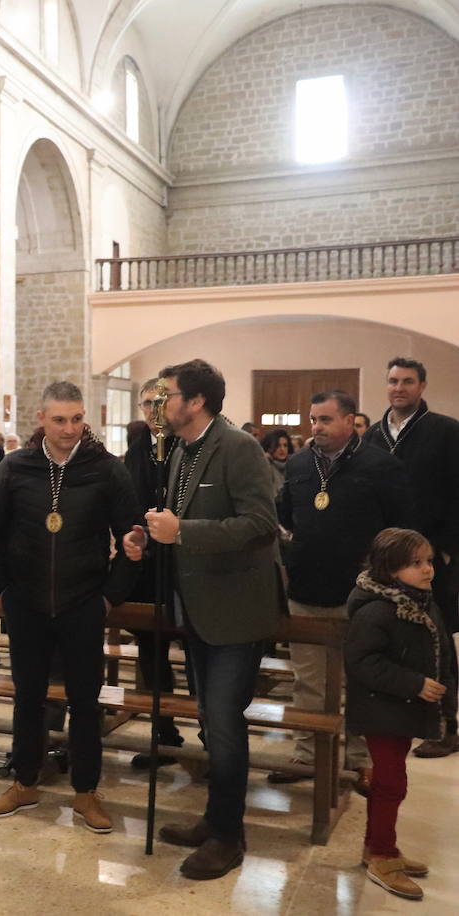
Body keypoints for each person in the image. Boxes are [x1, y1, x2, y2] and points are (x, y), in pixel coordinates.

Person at [123, 359, 283, 880]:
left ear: (195, 402)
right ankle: (214, 820)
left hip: (236, 610)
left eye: (166, 394)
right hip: (195, 609)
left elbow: (262, 524)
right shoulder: (181, 452)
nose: (159, 403)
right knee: (210, 723)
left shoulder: (237, 447)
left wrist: (183, 531)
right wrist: (150, 539)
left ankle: (227, 836)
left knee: (225, 725)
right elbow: (178, 524)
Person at [0, 381, 139, 832]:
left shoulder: (106, 470)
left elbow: (133, 537)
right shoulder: (16, 466)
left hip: (83, 601)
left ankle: (86, 792)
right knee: (27, 698)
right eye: (60, 420)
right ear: (41, 420)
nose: (70, 428)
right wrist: (2, 588)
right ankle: (24, 781)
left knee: (85, 704)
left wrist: (111, 595)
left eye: (76, 419)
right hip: (26, 602)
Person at [270, 390, 412, 791]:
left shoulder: (381, 466)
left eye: (326, 420)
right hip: (307, 588)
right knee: (308, 680)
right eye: (313, 419)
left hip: (362, 595)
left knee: (361, 681)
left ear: (350, 421)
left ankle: (359, 758)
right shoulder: (299, 463)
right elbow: (285, 515)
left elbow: (401, 528)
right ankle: (305, 755)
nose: (317, 428)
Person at [346, 528, 456, 901]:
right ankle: (381, 854)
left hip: (399, 709)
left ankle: (378, 847)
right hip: (382, 709)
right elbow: (362, 662)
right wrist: (413, 684)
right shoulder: (377, 610)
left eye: (428, 561)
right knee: (392, 783)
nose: (428, 570)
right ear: (389, 569)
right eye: (416, 563)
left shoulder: (419, 600)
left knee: (390, 783)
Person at [362, 357, 459, 757]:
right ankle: (398, 717)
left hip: (431, 557)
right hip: (385, 558)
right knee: (395, 637)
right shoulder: (371, 436)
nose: (398, 387)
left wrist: (449, 550)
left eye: (406, 381)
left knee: (437, 637)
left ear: (421, 386)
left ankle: (447, 725)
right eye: (392, 381)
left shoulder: (447, 432)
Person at [123, 379, 184, 767]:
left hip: (185, 561)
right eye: (146, 404)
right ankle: (164, 731)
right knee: (150, 650)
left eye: (158, 403)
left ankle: (212, 738)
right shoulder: (137, 448)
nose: (152, 411)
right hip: (148, 566)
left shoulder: (186, 446)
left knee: (198, 654)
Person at [261, 428, 293, 494]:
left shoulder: (293, 465)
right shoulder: (264, 465)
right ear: (270, 447)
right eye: (278, 445)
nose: (282, 449)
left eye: (285, 445)